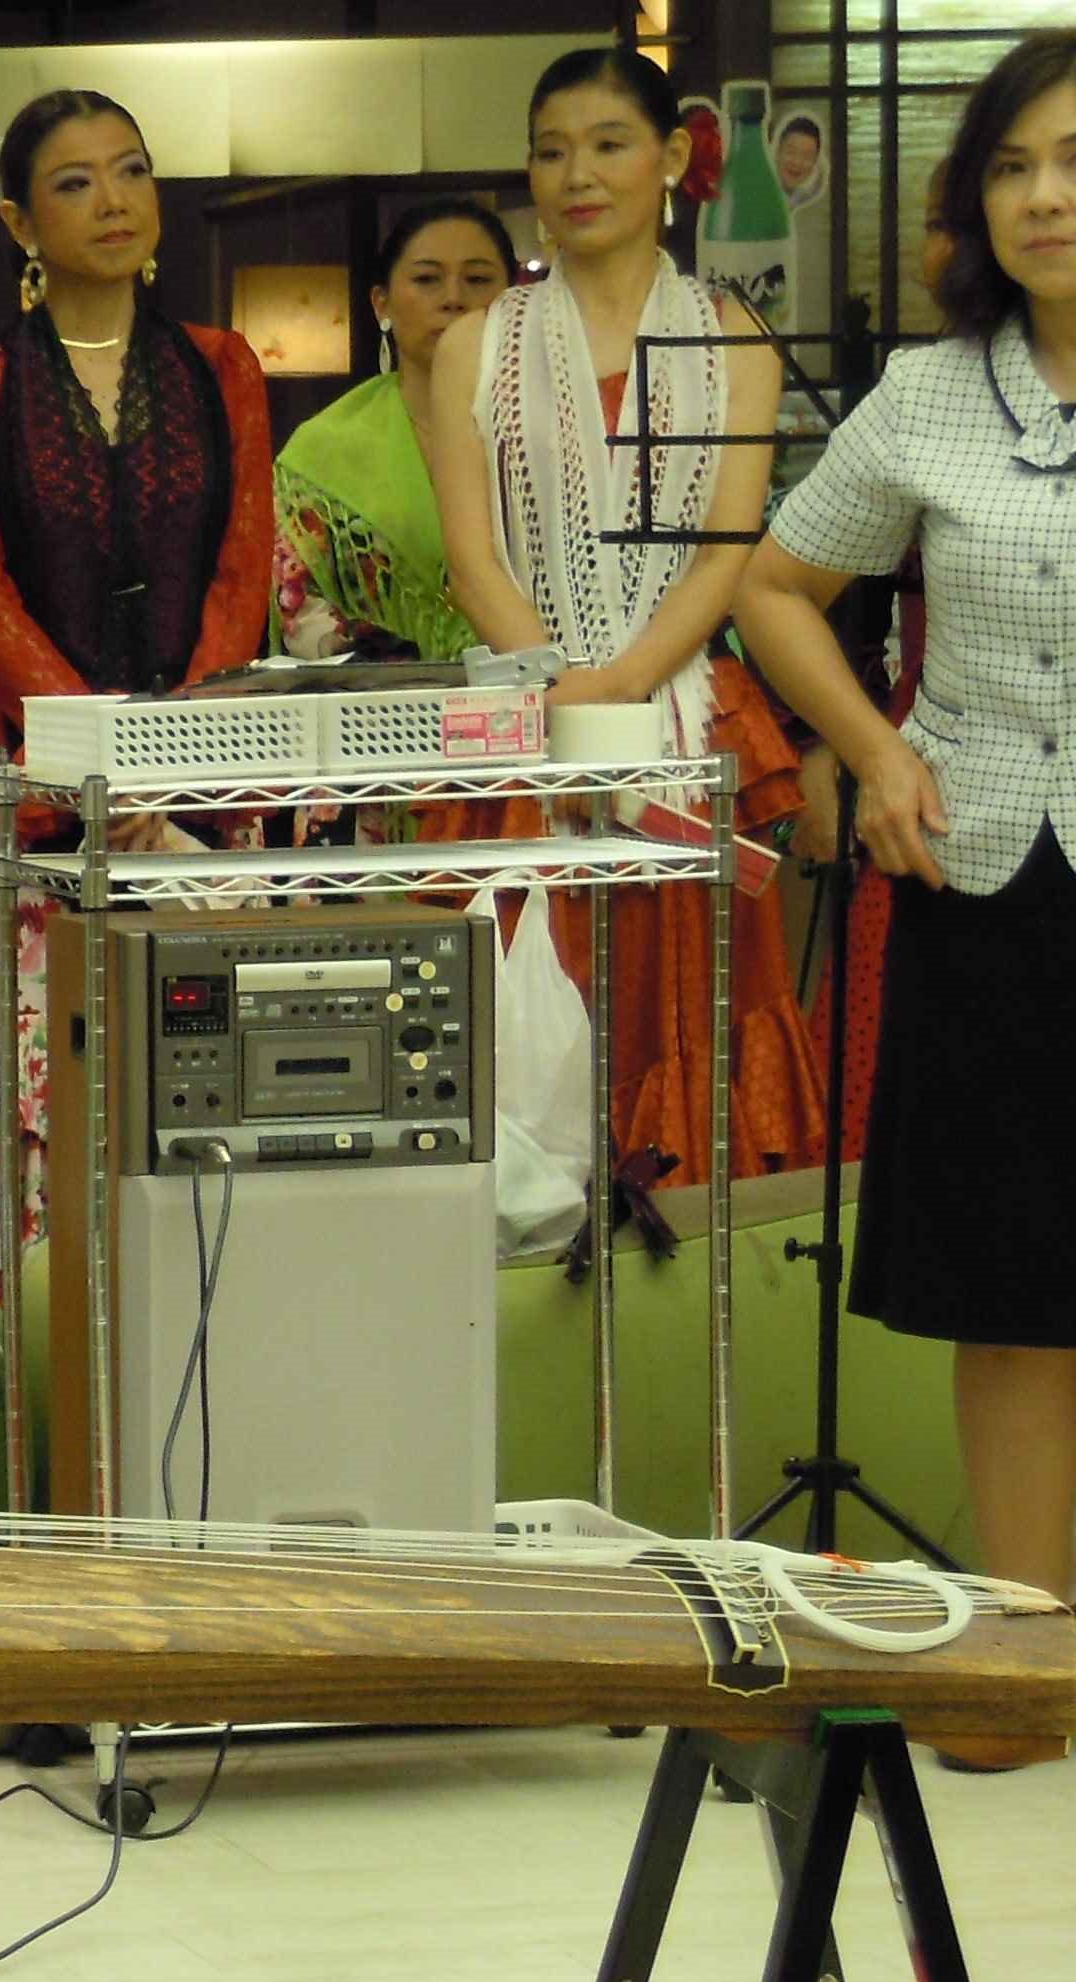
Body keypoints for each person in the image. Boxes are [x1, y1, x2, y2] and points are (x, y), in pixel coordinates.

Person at [734, 27, 1076, 1629]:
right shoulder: (933, 399)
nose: (1043, 198)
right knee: (1014, 1290)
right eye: (1012, 168)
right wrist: (872, 751)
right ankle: (1024, 1648)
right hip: (987, 874)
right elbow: (777, 592)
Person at [432, 46, 825, 1187]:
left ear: (671, 159)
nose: (575, 174)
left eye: (607, 145)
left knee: (691, 995)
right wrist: (559, 684)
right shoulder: (476, 340)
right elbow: (471, 558)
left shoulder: (731, 335)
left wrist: (617, 686)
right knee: (510, 1001)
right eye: (549, 151)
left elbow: (724, 555)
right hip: (521, 720)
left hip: (687, 713)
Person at [0, 90, 276, 1279]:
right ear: (20, 223)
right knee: (53, 1064)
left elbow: (240, 572)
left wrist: (181, 764)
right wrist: (105, 768)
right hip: (37, 779)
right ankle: (46, 1354)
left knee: (202, 1062)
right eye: (74, 182)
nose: (112, 200)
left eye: (130, 171)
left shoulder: (223, 365)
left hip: (208, 781)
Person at [275, 200, 519, 664]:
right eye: (427, 279)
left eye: (478, 280)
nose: (453, 298)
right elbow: (300, 607)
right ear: (381, 303)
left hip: (534, 696)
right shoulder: (323, 447)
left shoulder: (552, 433)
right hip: (373, 717)